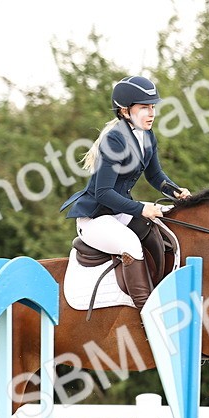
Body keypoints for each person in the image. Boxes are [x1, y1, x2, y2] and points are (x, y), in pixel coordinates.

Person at [60, 76, 191, 308]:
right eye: (144, 108)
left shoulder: (147, 136)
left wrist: (176, 192)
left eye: (153, 107)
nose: (151, 113)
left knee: (162, 229)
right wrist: (141, 208)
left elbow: (155, 176)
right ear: (125, 111)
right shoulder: (114, 140)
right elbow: (103, 193)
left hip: (118, 212)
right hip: (95, 218)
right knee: (131, 244)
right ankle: (146, 312)